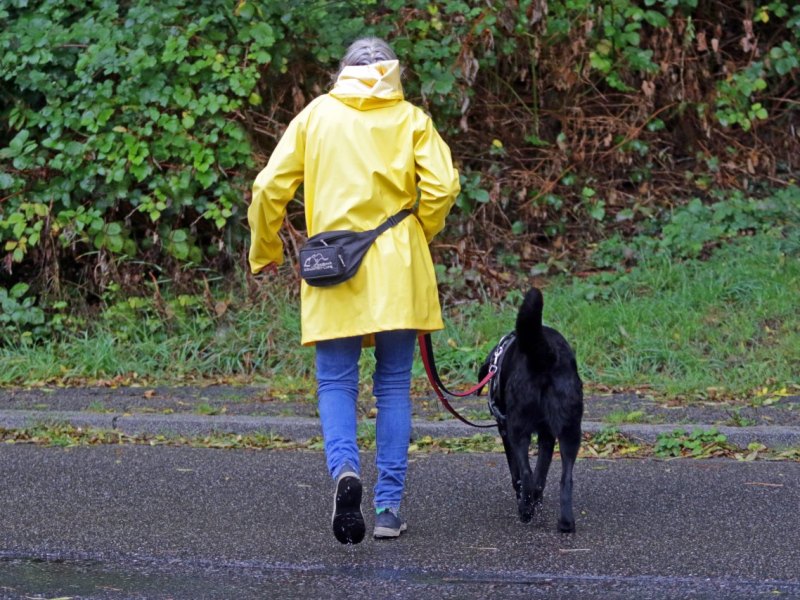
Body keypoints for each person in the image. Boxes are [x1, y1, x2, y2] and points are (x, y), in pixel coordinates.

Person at [247, 37, 460, 544]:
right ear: (391, 71)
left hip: (332, 265)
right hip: (399, 270)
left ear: (342, 70)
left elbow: (267, 188)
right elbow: (444, 186)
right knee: (392, 387)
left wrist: (266, 249)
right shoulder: (411, 119)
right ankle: (387, 509)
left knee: (336, 382)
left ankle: (345, 473)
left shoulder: (316, 116)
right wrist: (418, 233)